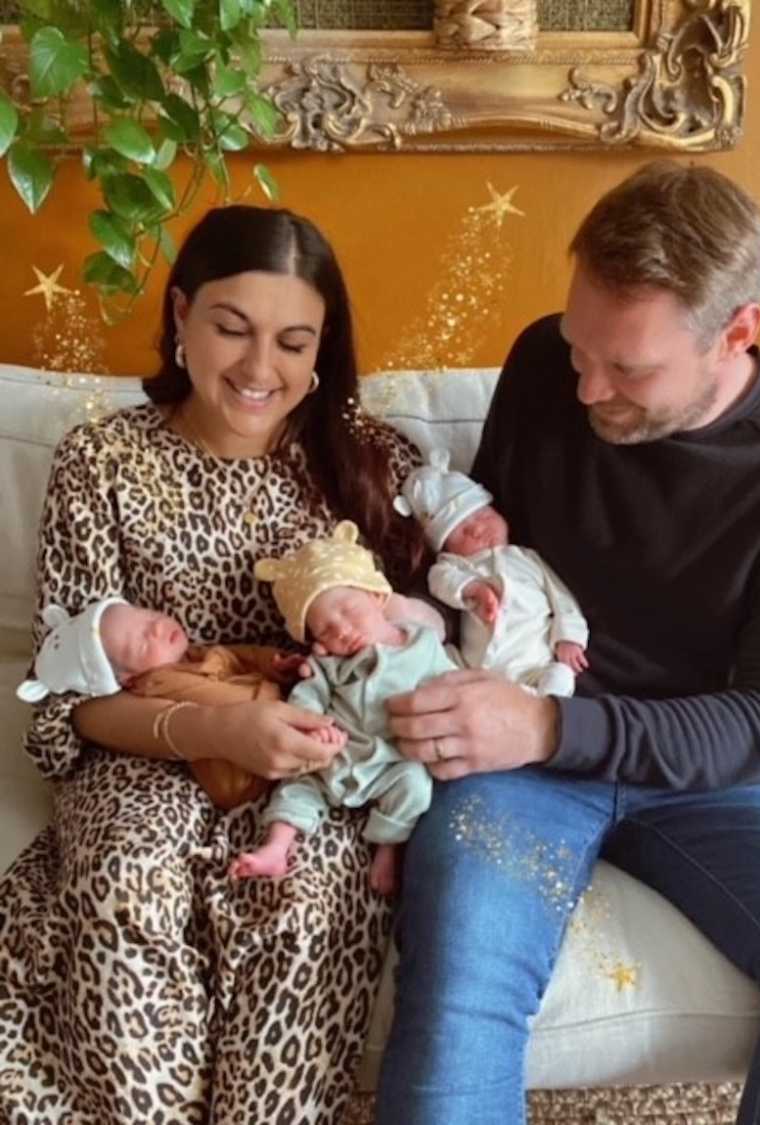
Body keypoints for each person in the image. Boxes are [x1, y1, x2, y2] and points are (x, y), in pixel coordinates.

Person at [374, 162, 760, 1125]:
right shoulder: (546, 365)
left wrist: (549, 727)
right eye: (581, 348)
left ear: (737, 332)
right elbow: (500, 560)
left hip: (712, 767)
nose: (586, 386)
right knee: (457, 990)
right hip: (521, 745)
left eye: (628, 369)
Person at [0, 204, 431, 1124]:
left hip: (323, 768)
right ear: (181, 315)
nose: (257, 368)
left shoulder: (369, 464)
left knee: (311, 909)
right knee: (126, 879)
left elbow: (435, 639)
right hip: (142, 750)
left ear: (323, 350)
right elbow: (67, 696)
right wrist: (215, 724)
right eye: (231, 328)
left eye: (292, 340)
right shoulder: (103, 459)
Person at [230, 520, 457, 894]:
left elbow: (453, 688)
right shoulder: (327, 664)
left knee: (416, 788)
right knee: (295, 785)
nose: (342, 631)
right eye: (325, 630)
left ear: (377, 597)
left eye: (349, 611)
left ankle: (388, 844)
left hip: (392, 758)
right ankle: (276, 847)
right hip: (333, 752)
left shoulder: (424, 645)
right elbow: (309, 696)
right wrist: (313, 726)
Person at [15, 597, 318, 808]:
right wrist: (275, 694)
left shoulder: (191, 653)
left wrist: (271, 663)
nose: (159, 627)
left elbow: (238, 656)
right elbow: (222, 702)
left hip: (273, 710)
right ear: (128, 680)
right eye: (144, 641)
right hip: (241, 776)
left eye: (149, 616)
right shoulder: (158, 682)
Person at [396, 450, 589, 696]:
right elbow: (439, 581)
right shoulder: (455, 566)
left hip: (533, 665)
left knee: (561, 675)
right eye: (463, 531)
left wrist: (569, 637)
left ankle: (539, 708)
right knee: (434, 663)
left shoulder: (527, 558)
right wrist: (472, 589)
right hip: (475, 666)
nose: (478, 528)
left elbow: (561, 598)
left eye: (483, 515)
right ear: (446, 548)